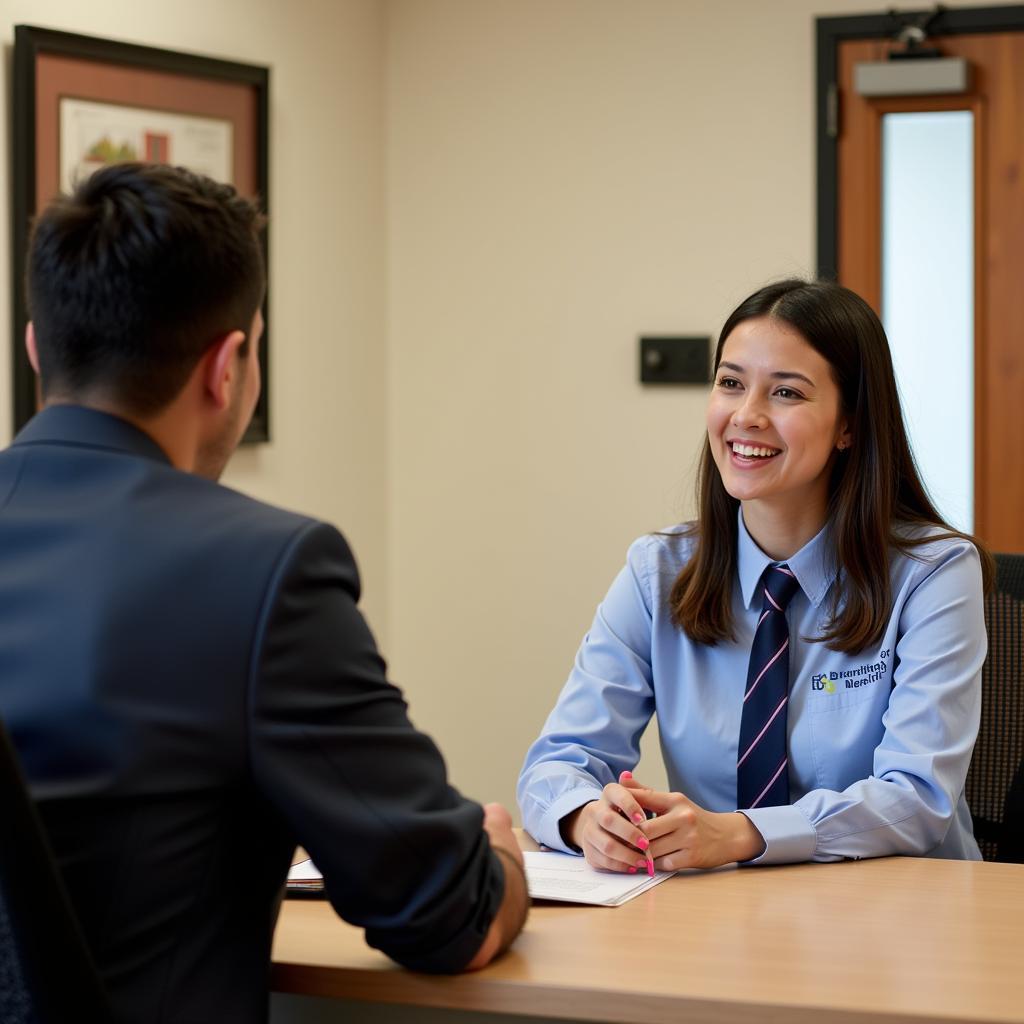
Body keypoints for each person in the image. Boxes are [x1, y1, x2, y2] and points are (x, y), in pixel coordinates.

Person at [0, 162, 527, 1024]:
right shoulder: (261, 570)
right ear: (230, 366)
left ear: (34, 348)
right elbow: (446, 917)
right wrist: (498, 860)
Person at [518, 278, 989, 872]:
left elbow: (916, 799)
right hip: (724, 916)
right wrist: (588, 817)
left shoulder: (933, 574)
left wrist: (740, 835)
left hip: (903, 920)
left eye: (786, 393)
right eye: (730, 383)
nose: (746, 416)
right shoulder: (657, 572)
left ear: (849, 425)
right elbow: (558, 762)